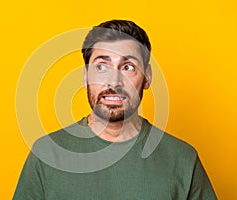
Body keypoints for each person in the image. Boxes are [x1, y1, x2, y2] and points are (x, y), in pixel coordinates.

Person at [13, 19, 217, 199]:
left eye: (128, 67)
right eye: (102, 66)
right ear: (85, 77)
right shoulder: (46, 155)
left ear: (147, 77)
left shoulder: (182, 159)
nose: (114, 81)